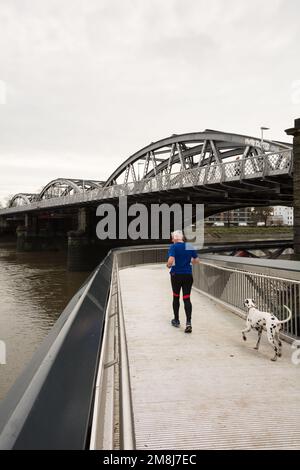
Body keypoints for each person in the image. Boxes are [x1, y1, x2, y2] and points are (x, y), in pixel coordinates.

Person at [166, 230, 200, 333]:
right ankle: (188, 323)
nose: (172, 240)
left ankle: (176, 320)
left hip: (176, 276)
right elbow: (197, 260)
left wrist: (168, 265)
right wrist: (189, 262)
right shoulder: (189, 245)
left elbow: (171, 260)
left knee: (176, 297)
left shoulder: (174, 247)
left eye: (172, 238)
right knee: (186, 298)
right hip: (188, 276)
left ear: (176, 238)